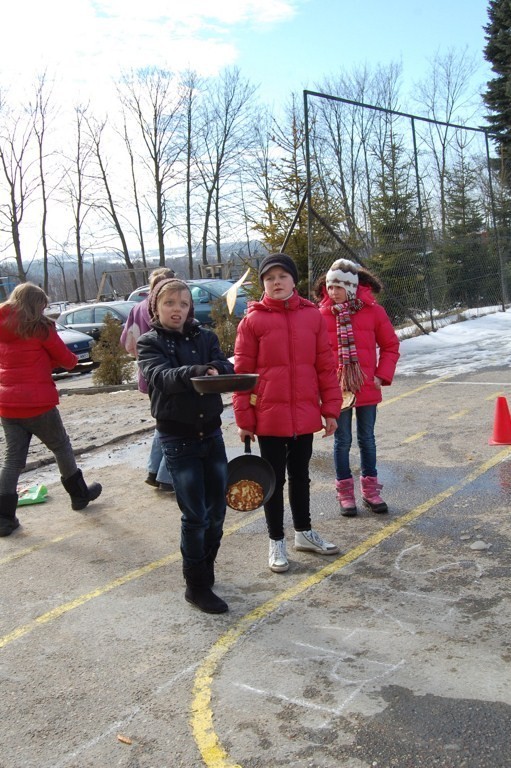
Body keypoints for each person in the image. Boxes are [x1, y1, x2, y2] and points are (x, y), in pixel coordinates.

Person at [232, 253, 342, 574]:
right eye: (269, 278)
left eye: (282, 276)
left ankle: (304, 533)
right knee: (273, 481)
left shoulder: (312, 317)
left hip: (304, 416)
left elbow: (324, 366)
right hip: (268, 419)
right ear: (263, 284)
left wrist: (330, 409)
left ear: (294, 280)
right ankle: (276, 540)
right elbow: (243, 375)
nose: (276, 283)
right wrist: (245, 420)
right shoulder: (252, 321)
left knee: (301, 477)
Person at [137, 278, 234, 614]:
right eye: (169, 303)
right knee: (195, 516)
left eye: (182, 303)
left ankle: (206, 568)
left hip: (212, 433)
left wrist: (215, 368)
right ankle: (196, 585)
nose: (176, 309)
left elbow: (226, 366)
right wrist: (197, 371)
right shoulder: (149, 343)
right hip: (177, 439)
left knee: (218, 511)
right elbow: (160, 377)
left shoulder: (205, 336)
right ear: (156, 307)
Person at [0, 283, 102, 537]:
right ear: (37, 305)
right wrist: (63, 361)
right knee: (61, 447)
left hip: (7, 404)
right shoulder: (40, 328)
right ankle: (79, 496)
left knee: (13, 460)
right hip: (38, 403)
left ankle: (4, 519)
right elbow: (68, 360)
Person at [314, 258, 400, 516]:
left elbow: (390, 346)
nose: (333, 292)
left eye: (339, 287)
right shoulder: (321, 315)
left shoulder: (374, 312)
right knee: (342, 440)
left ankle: (371, 492)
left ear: (351, 287)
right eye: (330, 287)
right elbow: (314, 355)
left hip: (366, 388)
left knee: (367, 440)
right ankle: (345, 494)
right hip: (336, 390)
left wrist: (380, 375)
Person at [120, 267, 175, 492]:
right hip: (169, 375)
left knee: (162, 422)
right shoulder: (165, 310)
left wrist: (142, 359)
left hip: (149, 373)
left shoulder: (136, 309)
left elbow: (127, 342)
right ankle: (164, 476)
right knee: (171, 423)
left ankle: (154, 470)